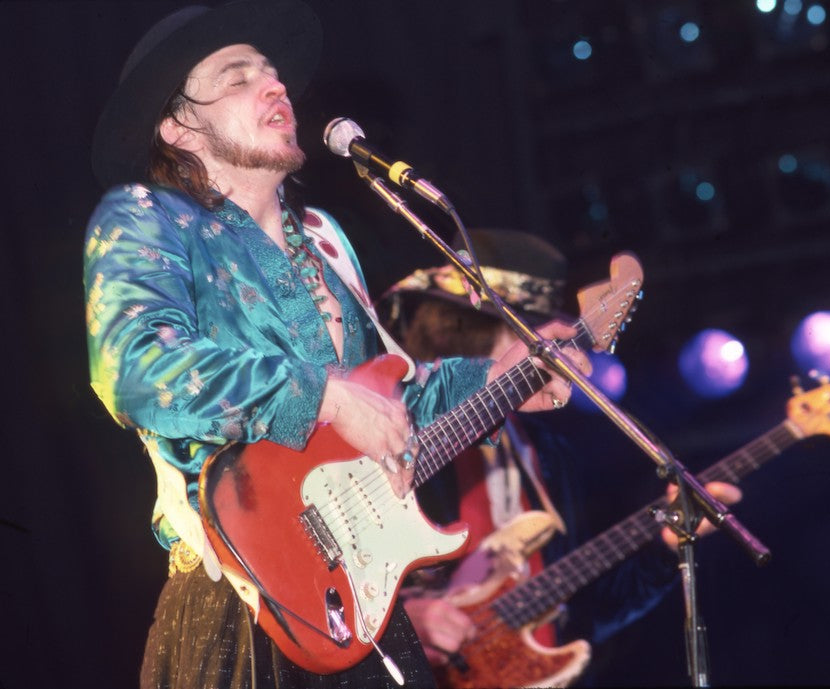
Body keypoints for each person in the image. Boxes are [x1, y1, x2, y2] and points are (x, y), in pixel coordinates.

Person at [82, 2, 590, 688]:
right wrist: (320, 395)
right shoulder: (150, 218)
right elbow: (135, 369)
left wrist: (505, 375)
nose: (275, 87)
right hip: (244, 602)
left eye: (274, 75)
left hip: (365, 602)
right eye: (238, 78)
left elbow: (388, 401)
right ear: (179, 125)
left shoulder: (322, 238)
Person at [378, 228, 742, 687]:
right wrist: (405, 622)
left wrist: (665, 551)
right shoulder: (399, 438)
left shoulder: (547, 455)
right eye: (526, 331)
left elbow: (583, 615)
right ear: (464, 330)